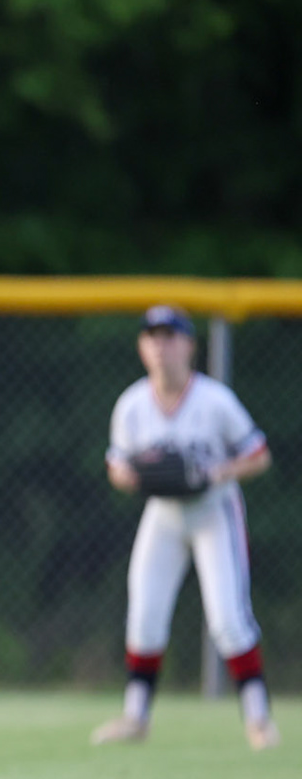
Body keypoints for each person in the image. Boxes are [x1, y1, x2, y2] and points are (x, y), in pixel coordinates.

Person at [93, 305, 277, 749]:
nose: (161, 346)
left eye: (171, 337)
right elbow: (117, 465)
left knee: (229, 620)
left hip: (214, 511)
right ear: (141, 347)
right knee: (145, 613)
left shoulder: (214, 401)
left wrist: (216, 473)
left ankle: (258, 719)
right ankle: (136, 716)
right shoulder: (133, 404)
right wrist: (132, 477)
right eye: (153, 337)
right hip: (164, 514)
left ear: (189, 346)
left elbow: (259, 455)